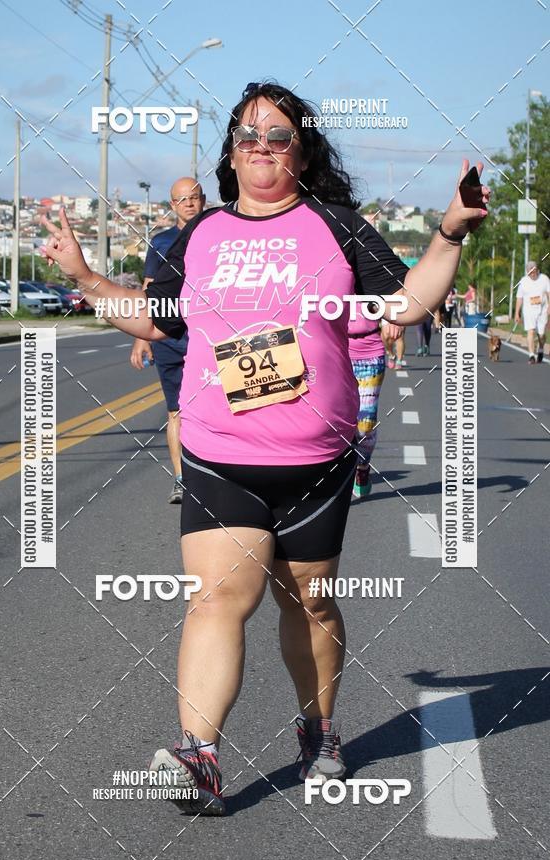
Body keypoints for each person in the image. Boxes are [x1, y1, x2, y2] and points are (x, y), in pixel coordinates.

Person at [41, 81, 489, 817]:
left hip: (314, 460)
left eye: (278, 135)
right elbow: (158, 323)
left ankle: (318, 727)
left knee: (308, 598)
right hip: (221, 453)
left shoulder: (336, 226)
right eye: (247, 135)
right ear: (230, 152)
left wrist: (449, 231)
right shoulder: (203, 235)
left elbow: (406, 305)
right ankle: (200, 756)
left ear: (302, 151)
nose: (261, 146)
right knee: (219, 595)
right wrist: (87, 278)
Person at [130, 179, 205, 503]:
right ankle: (181, 479)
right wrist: (140, 338)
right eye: (182, 199)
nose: (189, 204)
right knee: (176, 411)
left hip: (207, 336)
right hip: (169, 339)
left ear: (204, 200)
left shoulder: (216, 231)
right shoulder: (161, 241)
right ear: (172, 205)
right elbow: (149, 289)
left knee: (214, 406)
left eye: (194, 198)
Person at [348, 320, 403, 496]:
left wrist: (394, 319)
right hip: (333, 351)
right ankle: (339, 474)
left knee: (365, 426)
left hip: (369, 355)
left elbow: (395, 297)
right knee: (332, 422)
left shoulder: (374, 290)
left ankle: (362, 467)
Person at [515, 260, 550, 364]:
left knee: (541, 334)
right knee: (530, 331)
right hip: (528, 310)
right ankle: (531, 355)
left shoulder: (544, 279)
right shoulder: (523, 281)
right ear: (527, 272)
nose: (533, 275)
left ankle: (540, 349)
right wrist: (517, 312)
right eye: (530, 273)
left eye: (534, 272)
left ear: (537, 270)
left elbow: (549, 293)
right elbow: (519, 298)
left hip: (542, 310)